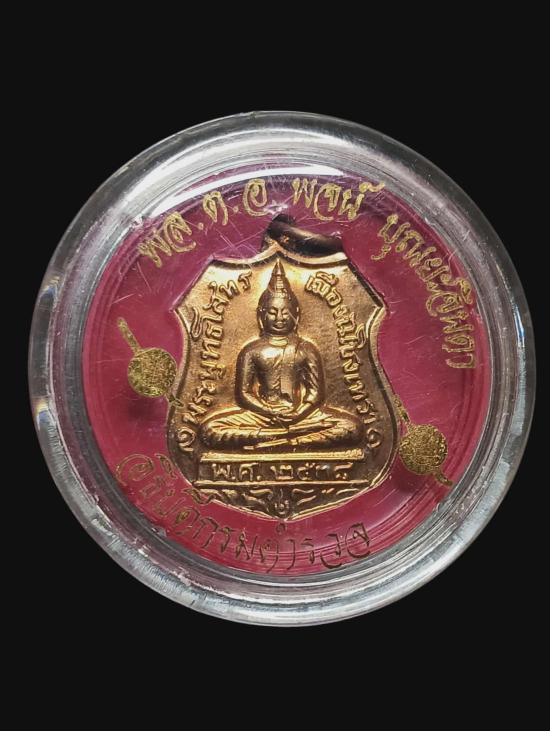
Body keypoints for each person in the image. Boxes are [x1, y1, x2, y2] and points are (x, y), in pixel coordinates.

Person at [200, 260, 364, 450]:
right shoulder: (252, 350)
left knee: (352, 428)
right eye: (273, 312)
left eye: (286, 313)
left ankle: (286, 440)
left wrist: (299, 413)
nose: (279, 318)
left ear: (296, 315)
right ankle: (285, 437)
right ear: (261, 315)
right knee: (210, 430)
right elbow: (244, 394)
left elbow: (315, 394)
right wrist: (269, 411)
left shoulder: (306, 349)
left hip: (302, 416)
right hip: (261, 417)